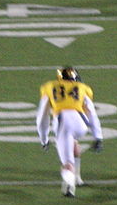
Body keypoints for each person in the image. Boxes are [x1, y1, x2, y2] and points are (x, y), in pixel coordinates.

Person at [36, 67, 103, 197]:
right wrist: (98, 136)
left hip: (63, 122)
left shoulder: (49, 87)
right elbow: (92, 113)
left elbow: (42, 117)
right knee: (73, 143)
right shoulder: (83, 87)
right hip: (81, 123)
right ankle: (77, 178)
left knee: (67, 164)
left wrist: (44, 139)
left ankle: (69, 187)